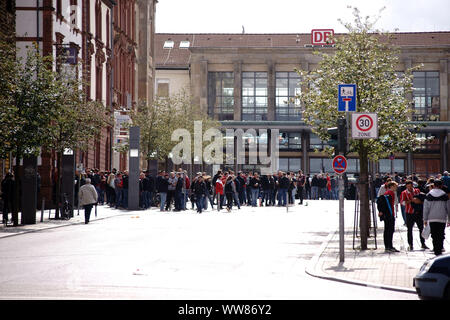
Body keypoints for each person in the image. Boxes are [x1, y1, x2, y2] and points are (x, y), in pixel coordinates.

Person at [423, 180, 450, 256]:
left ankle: (436, 249)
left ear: (434, 185)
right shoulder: (445, 196)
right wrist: (449, 219)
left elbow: (426, 209)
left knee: (434, 235)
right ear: (441, 186)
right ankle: (440, 248)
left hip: (432, 218)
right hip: (442, 218)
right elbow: (448, 208)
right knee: (441, 234)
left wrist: (425, 219)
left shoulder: (428, 195)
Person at [400, 180, 426, 251]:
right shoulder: (404, 193)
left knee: (421, 228)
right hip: (409, 213)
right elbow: (402, 203)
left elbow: (422, 199)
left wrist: (419, 201)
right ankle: (410, 244)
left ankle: (423, 243)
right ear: (406, 186)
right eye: (408, 186)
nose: (410, 188)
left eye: (411, 186)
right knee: (409, 229)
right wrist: (411, 200)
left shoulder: (417, 191)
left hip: (418, 212)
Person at [379, 181, 400, 252]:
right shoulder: (390, 193)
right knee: (390, 230)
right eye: (395, 186)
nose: (396, 188)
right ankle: (389, 246)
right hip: (389, 214)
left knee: (387, 230)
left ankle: (388, 246)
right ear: (391, 186)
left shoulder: (387, 193)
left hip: (387, 214)